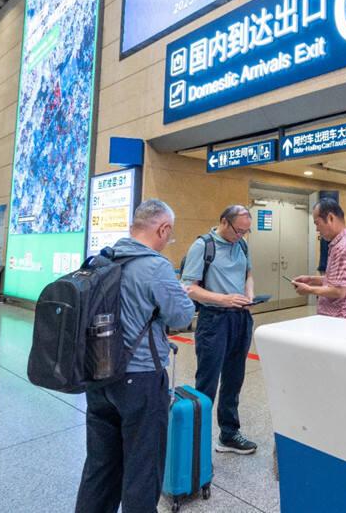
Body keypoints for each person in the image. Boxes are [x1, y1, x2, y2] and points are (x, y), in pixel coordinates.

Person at [75, 199, 195, 513]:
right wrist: (180, 295)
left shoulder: (101, 260)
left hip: (99, 375)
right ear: (163, 229)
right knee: (143, 469)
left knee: (100, 467)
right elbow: (182, 316)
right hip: (140, 380)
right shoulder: (156, 266)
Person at [181, 205, 257, 455]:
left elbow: (248, 274)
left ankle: (229, 433)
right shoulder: (203, 246)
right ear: (224, 221)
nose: (241, 236)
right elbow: (189, 288)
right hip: (214, 320)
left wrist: (249, 294)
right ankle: (198, 441)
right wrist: (224, 299)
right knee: (208, 381)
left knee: (234, 379)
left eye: (246, 232)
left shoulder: (241, 245)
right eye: (238, 230)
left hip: (240, 317)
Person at [292, 198, 346, 320]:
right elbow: (338, 280)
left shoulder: (343, 247)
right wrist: (311, 279)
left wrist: (309, 290)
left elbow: (339, 290)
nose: (317, 229)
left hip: (341, 319)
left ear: (330, 218)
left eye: (317, 223)